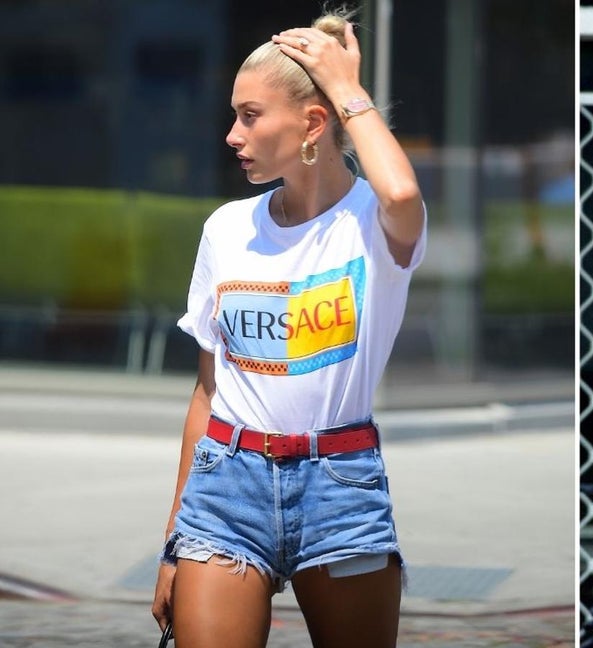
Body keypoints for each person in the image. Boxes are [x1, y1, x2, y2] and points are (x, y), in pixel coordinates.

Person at [150, 8, 425, 648]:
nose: (230, 135)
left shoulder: (372, 224)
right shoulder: (226, 228)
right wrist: (174, 538)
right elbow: (207, 392)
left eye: (250, 115)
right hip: (226, 483)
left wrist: (346, 86)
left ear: (311, 123)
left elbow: (404, 195)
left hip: (340, 483)